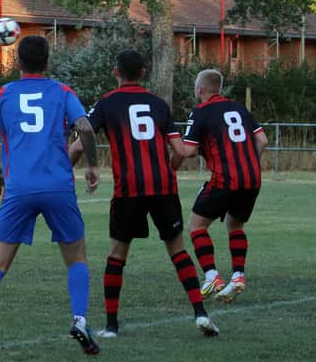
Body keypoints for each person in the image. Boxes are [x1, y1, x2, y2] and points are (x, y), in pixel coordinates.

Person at [0, 35, 101, 355]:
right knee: (76, 257)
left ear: (18, 64)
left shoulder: (1, 95)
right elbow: (86, 128)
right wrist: (92, 165)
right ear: (48, 62)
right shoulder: (62, 92)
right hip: (57, 186)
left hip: (19, 188)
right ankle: (79, 319)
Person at [69, 49, 219, 338]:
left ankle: (111, 326)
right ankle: (200, 313)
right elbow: (179, 150)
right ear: (143, 73)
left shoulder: (106, 103)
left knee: (117, 254)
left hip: (129, 189)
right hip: (163, 186)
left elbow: (81, 141)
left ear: (116, 72)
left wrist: (61, 169)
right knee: (177, 250)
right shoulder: (159, 105)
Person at [172, 69, 268, 303]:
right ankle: (237, 276)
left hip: (225, 178)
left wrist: (171, 163)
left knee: (197, 226)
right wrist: (249, 162)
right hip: (252, 177)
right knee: (235, 226)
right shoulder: (239, 108)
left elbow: (189, 149)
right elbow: (263, 139)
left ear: (201, 90)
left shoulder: (201, 111)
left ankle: (212, 275)